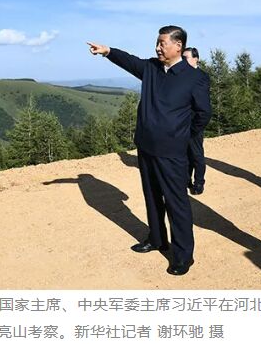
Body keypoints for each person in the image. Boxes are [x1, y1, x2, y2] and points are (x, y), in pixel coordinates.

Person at [88, 26, 211, 276]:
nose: (157, 47)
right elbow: (129, 61)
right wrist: (108, 51)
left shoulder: (195, 78)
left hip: (173, 151)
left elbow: (203, 114)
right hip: (146, 147)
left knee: (176, 203)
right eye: (157, 42)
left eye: (162, 43)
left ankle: (183, 256)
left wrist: (182, 136)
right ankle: (156, 239)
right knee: (152, 197)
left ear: (178, 45)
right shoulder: (152, 69)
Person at [182, 47, 210, 195]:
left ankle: (199, 183)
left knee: (196, 154)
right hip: (182, 123)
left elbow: (203, 107)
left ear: (196, 59)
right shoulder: (181, 76)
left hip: (194, 123)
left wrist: (195, 127)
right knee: (184, 154)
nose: (183, 61)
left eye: (186, 58)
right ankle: (186, 180)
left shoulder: (201, 76)